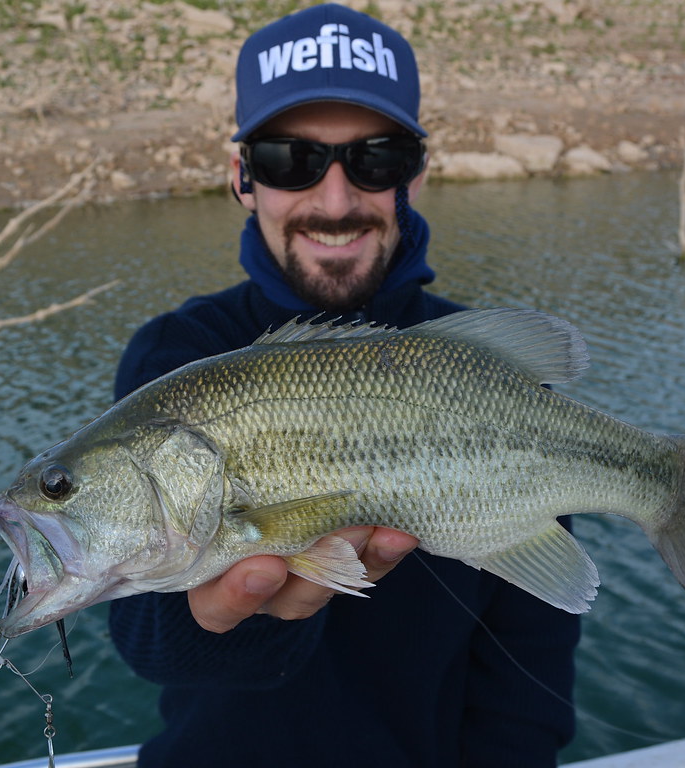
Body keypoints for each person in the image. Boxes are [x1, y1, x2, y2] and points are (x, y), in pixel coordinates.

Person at [108, 5, 579, 766]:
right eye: (289, 159)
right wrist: (253, 615)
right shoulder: (177, 358)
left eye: (377, 159)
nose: (333, 202)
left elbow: (527, 676)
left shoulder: (489, 375)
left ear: (415, 175)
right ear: (242, 177)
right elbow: (147, 646)